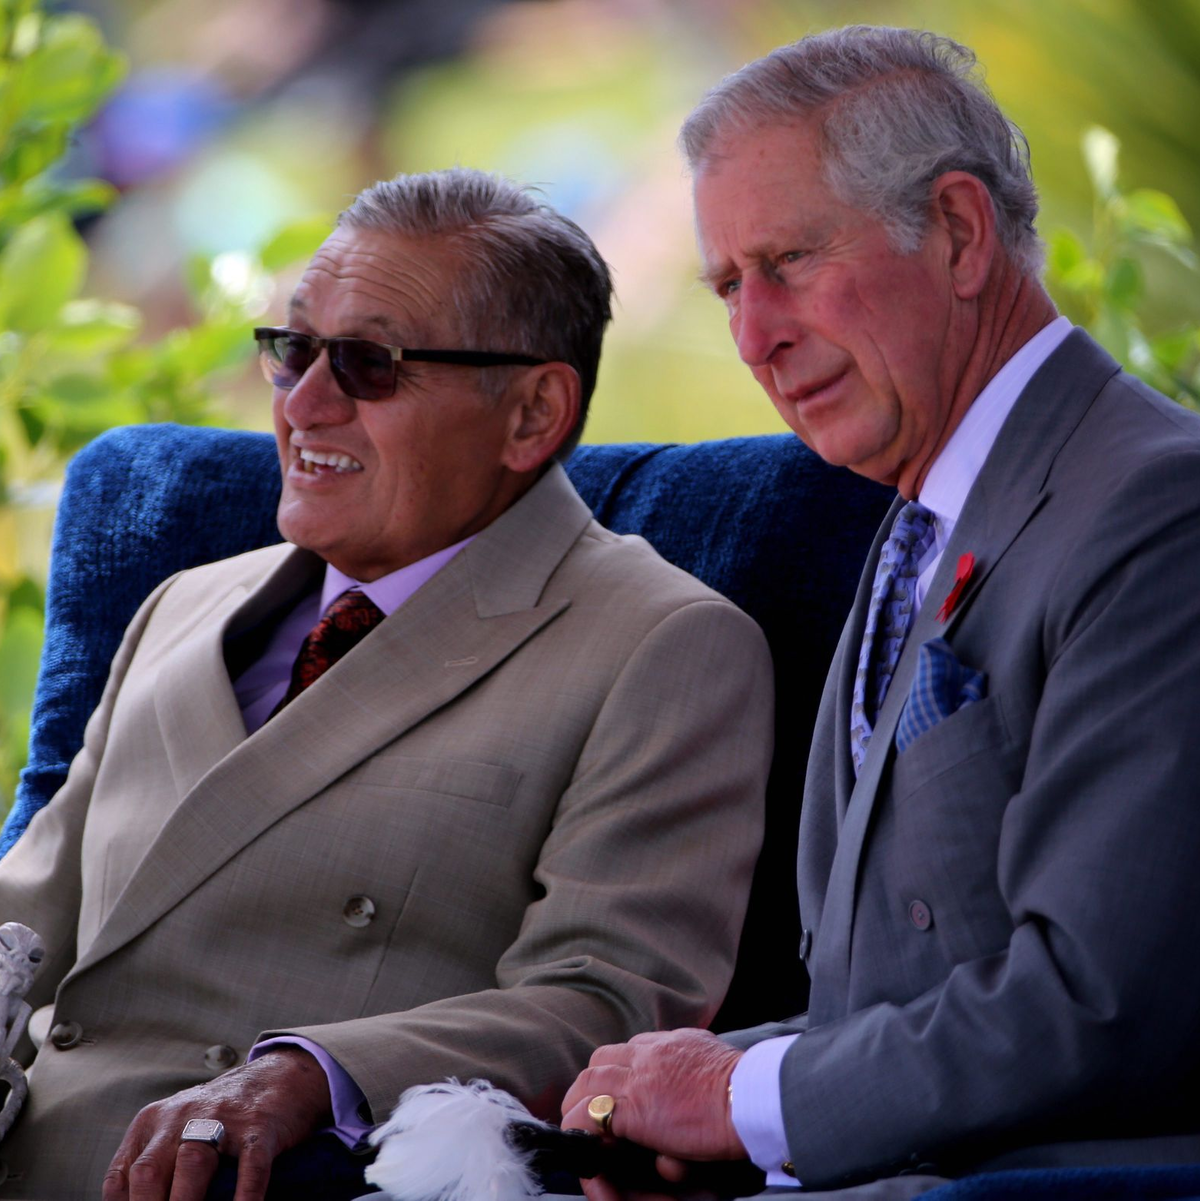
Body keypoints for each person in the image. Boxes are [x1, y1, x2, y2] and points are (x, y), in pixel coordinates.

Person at [0, 167, 774, 1199]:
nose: (303, 405)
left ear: (533, 412)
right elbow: (28, 915)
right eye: (293, 350)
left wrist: (313, 1074)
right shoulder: (181, 604)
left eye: (369, 364)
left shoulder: (661, 643)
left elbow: (605, 1003)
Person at [562, 25, 1200, 1199]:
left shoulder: (1160, 510)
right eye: (728, 286)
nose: (754, 337)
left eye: (791, 261)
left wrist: (740, 1100)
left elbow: (1104, 1000)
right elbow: (890, 1000)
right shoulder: (923, 512)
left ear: (958, 233)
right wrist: (708, 1105)